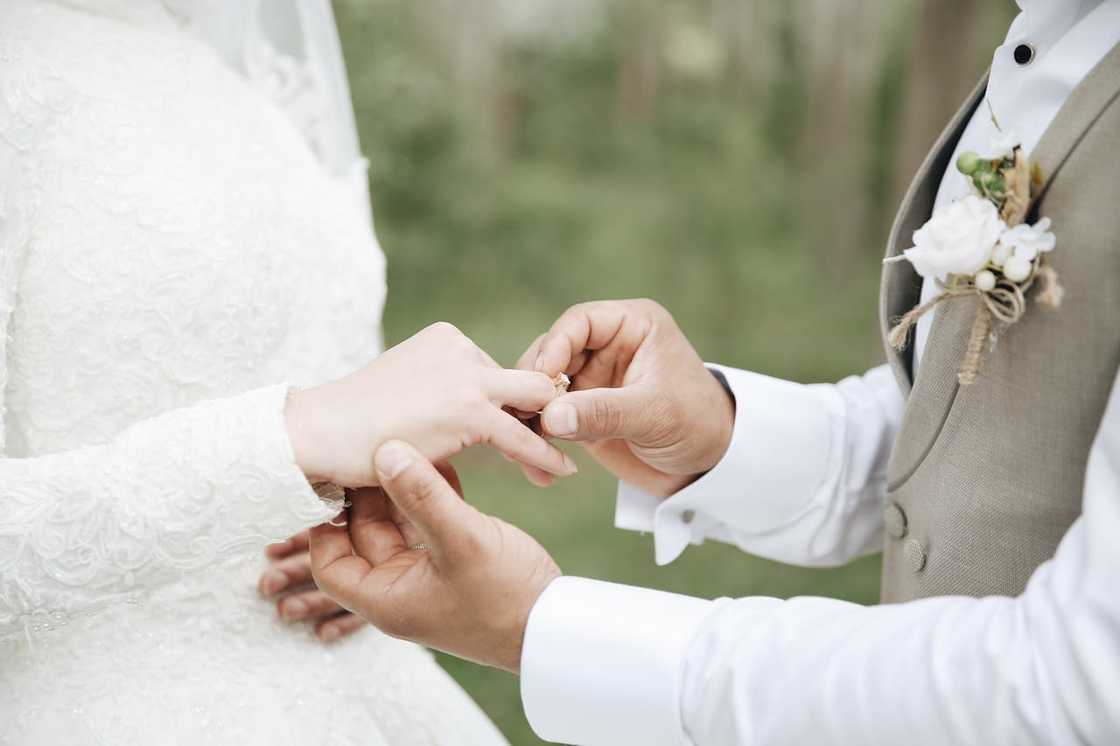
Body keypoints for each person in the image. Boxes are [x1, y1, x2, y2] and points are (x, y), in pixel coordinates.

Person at [310, 2, 1120, 744]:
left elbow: (1076, 687)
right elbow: (1004, 424)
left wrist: (542, 630)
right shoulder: (1053, 35)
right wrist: (719, 435)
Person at [0, 1, 575, 743]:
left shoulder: (255, 90)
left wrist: (369, 529)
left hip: (369, 693)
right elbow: (311, 425)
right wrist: (288, 443)